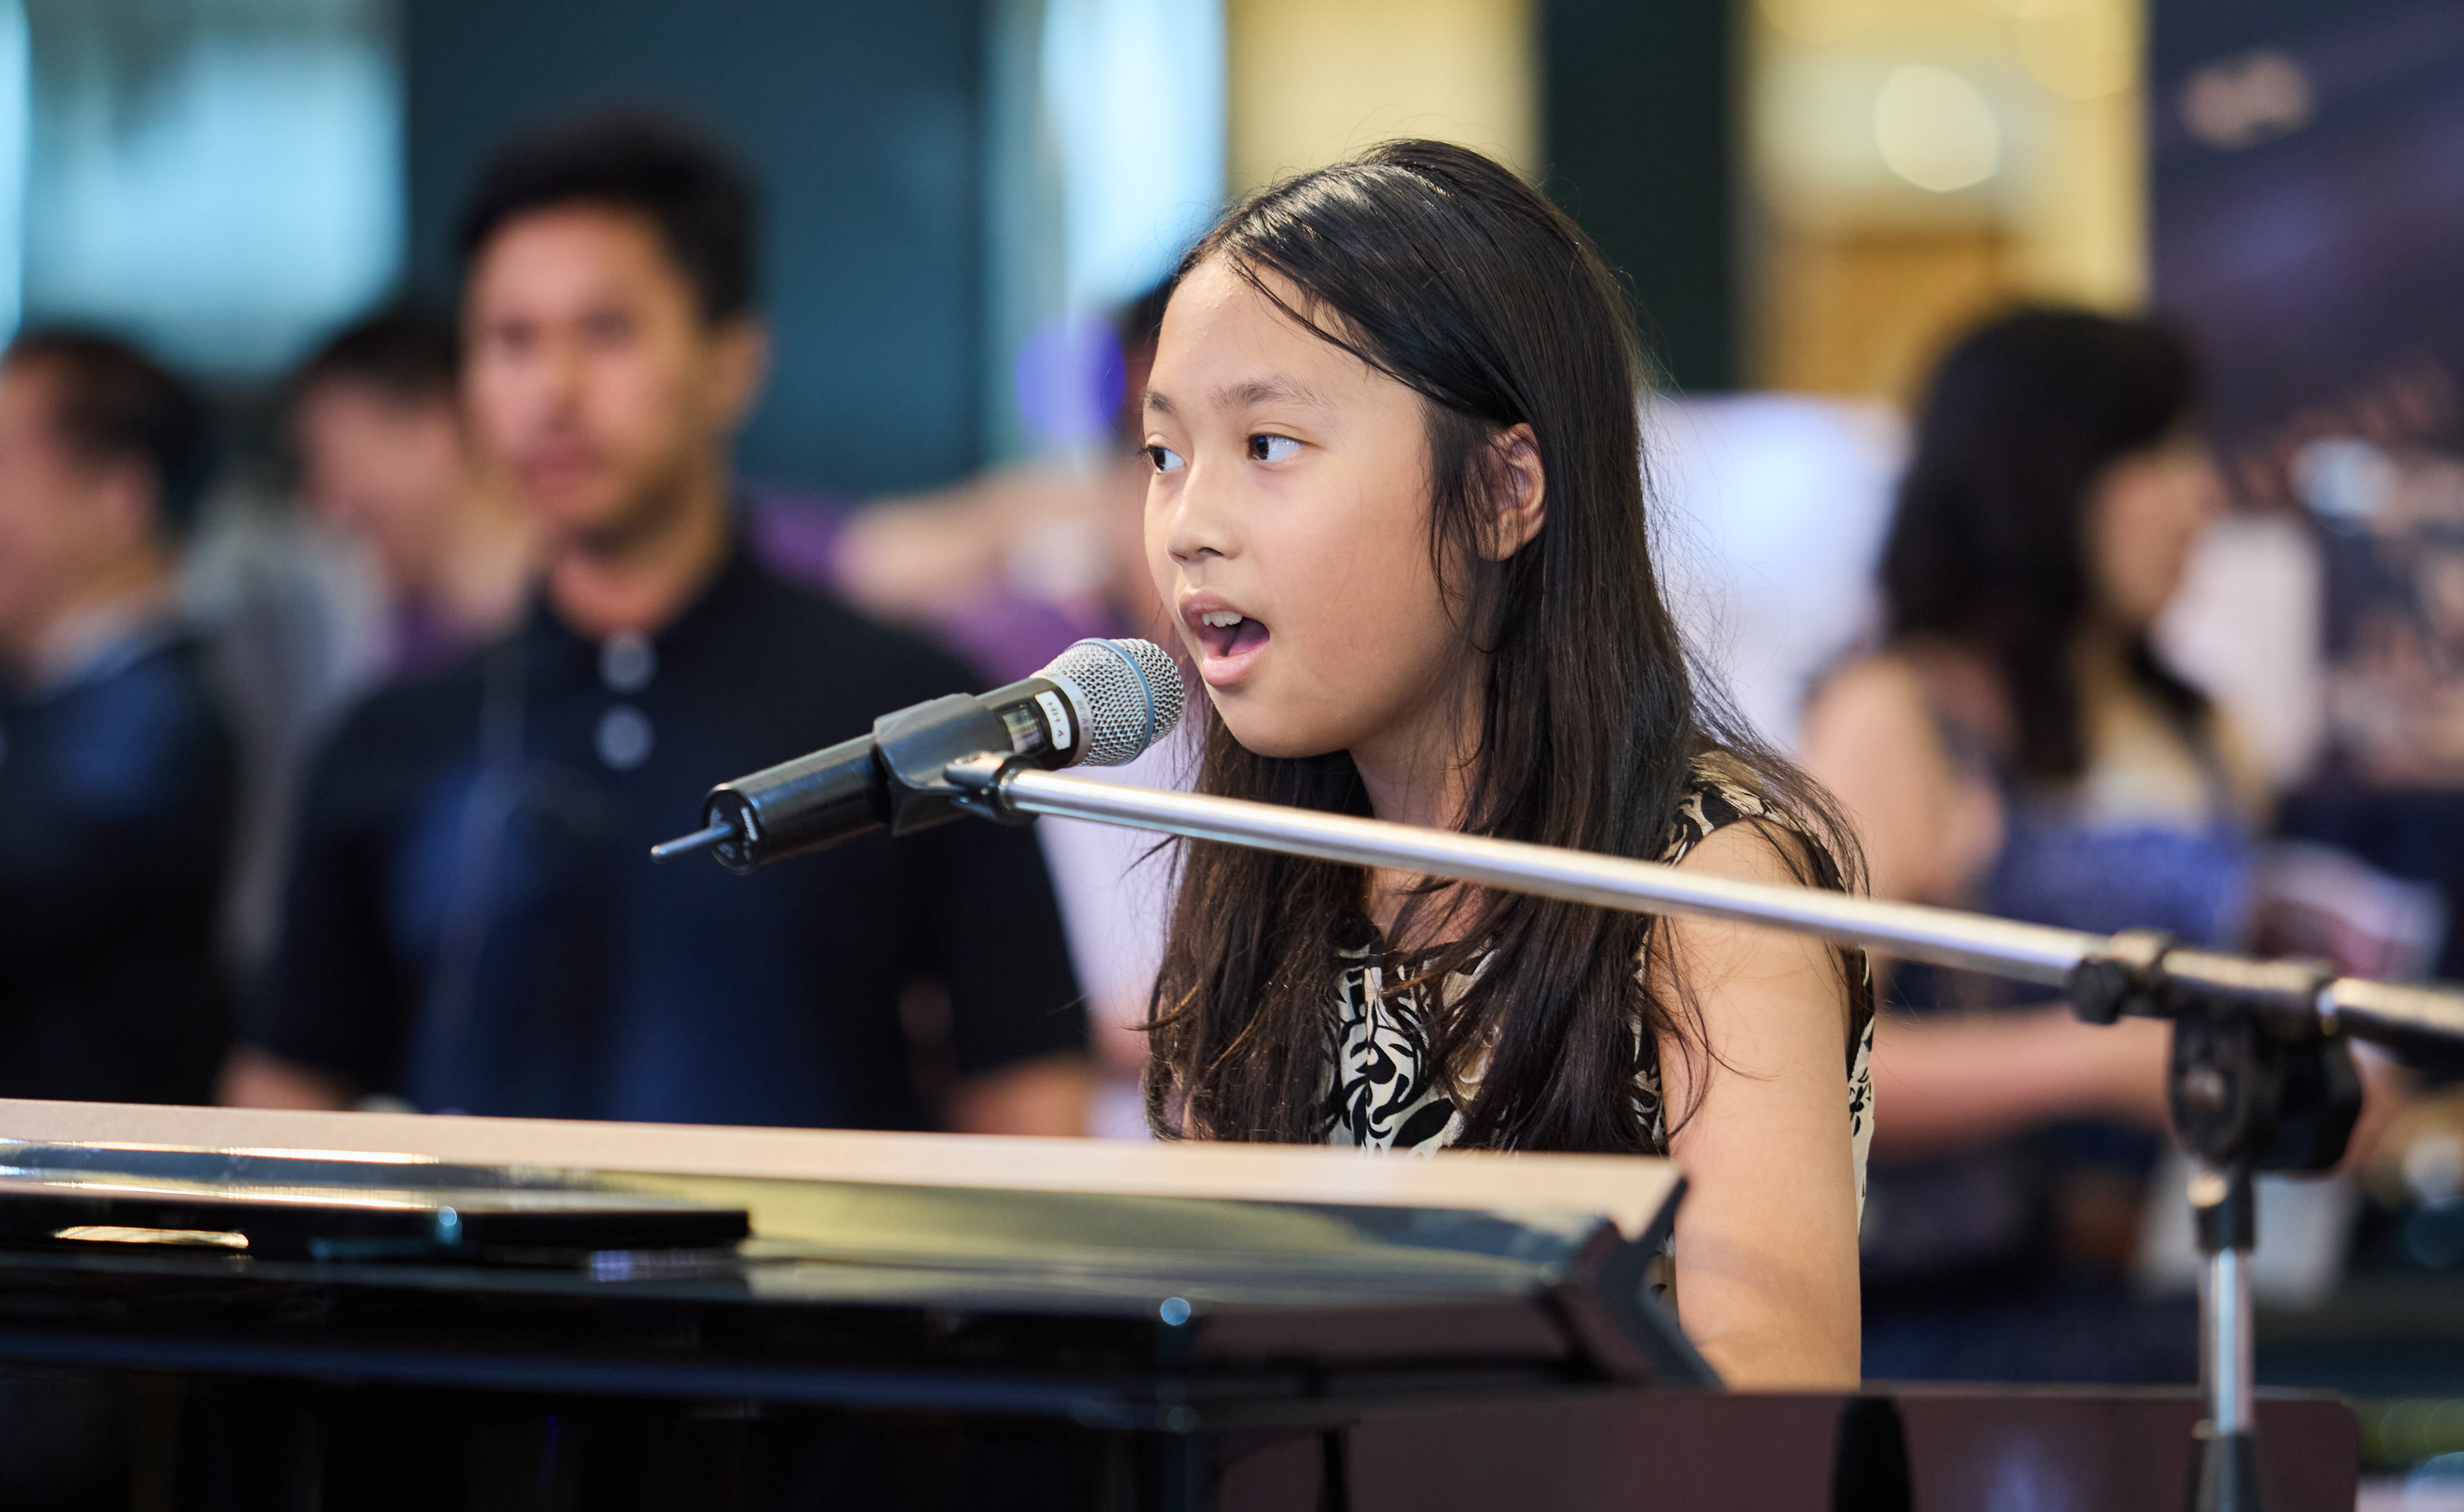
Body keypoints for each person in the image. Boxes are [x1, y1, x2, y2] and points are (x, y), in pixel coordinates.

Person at [1134, 141, 1874, 1390]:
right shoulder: (1272, 865)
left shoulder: (1707, 885)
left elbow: (1772, 1389)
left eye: (1267, 444)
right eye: (1164, 454)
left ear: (1502, 490)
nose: (1190, 524)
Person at [224, 111, 1093, 1133]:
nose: (552, 392)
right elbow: (281, 1099)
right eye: (511, 341)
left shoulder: (909, 716)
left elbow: (1032, 1098)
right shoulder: (392, 738)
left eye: (607, 332)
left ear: (732, 362)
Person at [1797, 308, 2252, 1381]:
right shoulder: (1898, 716)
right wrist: (2098, 1063)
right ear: (2046, 474)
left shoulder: (2203, 728)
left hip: (2189, 1297)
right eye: (2160, 455)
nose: (2203, 496)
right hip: (1962, 1325)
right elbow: (1811, 1069)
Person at [0, 330, 237, 1103]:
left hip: (80, 1171)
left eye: (6, 460)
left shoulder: (153, 719)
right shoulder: (55, 691)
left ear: (117, 495)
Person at [288, 304, 534, 676]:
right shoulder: (408, 642)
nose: (328, 507)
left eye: (339, 463)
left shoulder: (591, 604)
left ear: (434, 431)